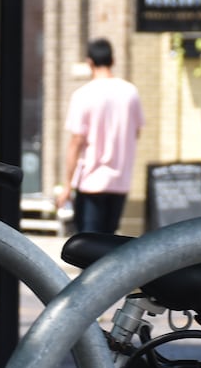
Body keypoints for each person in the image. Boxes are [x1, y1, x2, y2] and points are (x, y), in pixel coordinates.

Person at [57, 37, 144, 235]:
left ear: (89, 62)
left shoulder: (83, 94)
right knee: (109, 242)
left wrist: (67, 186)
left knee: (87, 243)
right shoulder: (130, 92)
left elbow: (76, 141)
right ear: (113, 60)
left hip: (91, 180)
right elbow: (136, 131)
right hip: (120, 180)